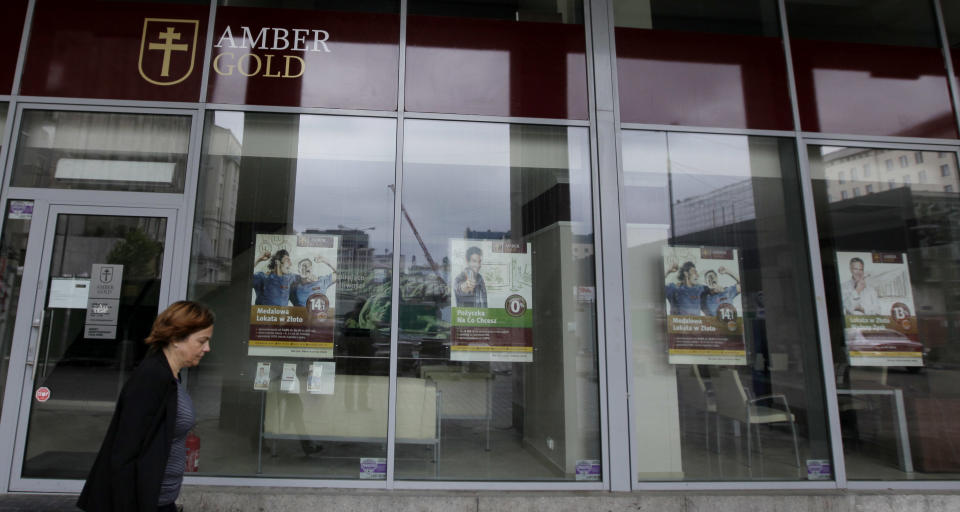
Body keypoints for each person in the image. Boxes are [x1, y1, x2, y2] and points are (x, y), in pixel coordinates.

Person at [78, 301, 215, 512]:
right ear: (176, 338)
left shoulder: (169, 375)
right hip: (143, 503)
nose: (207, 348)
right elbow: (125, 451)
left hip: (160, 499)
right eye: (201, 341)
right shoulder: (152, 377)